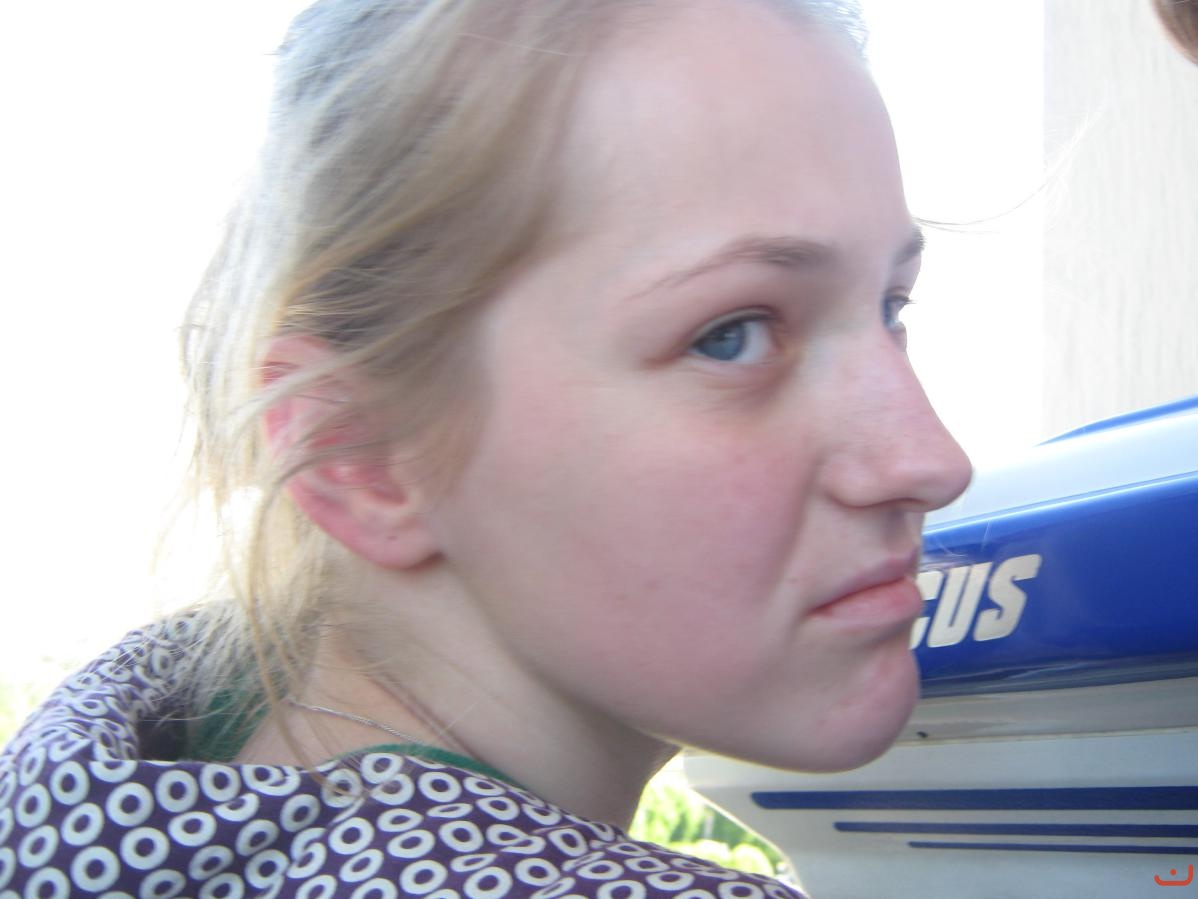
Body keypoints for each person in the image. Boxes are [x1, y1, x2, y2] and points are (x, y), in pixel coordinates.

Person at [0, 0, 972, 895]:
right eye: (732, 335)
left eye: (891, 306)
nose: (929, 460)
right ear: (360, 455)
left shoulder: (124, 786)